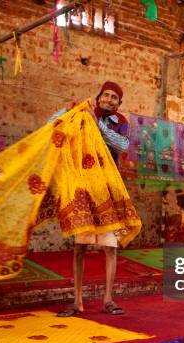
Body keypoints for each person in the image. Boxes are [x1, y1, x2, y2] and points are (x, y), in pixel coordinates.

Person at [55, 81, 130, 317]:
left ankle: (108, 300)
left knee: (109, 248)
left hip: (107, 189)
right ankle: (77, 302)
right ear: (98, 98)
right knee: (80, 247)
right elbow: (52, 127)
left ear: (119, 104)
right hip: (83, 189)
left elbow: (122, 145)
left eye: (114, 97)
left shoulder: (121, 123)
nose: (108, 99)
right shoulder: (81, 115)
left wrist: (96, 123)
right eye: (105, 95)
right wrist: (65, 111)